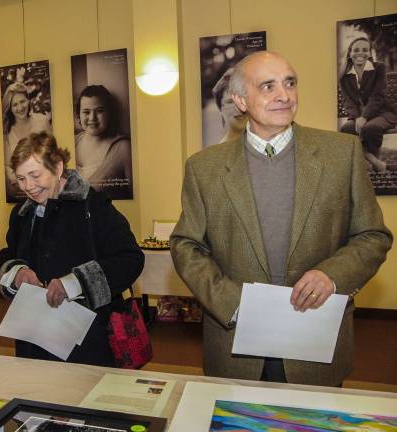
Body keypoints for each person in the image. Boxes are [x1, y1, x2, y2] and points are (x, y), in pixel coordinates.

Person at [170, 51, 392, 387]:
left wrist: (331, 276)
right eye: (268, 86)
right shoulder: (204, 168)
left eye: (289, 83)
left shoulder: (341, 153)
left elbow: (373, 235)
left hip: (314, 337)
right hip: (235, 342)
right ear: (240, 100)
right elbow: (186, 245)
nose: (284, 95)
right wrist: (231, 304)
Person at [0, 131, 143, 366]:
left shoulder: (93, 207)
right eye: (21, 179)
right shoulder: (21, 214)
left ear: (58, 167)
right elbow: (7, 256)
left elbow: (130, 259)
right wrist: (16, 273)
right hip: (33, 338)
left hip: (87, 341)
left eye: (35, 175)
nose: (28, 187)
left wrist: (74, 283)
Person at [339, 37, 397, 173]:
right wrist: (358, 117)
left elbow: (378, 96)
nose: (361, 53)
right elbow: (348, 101)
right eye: (356, 50)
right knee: (346, 130)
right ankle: (377, 163)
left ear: (370, 53)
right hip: (359, 116)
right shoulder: (344, 75)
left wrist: (364, 117)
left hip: (383, 113)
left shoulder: (379, 68)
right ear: (350, 53)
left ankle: (376, 166)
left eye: (365, 50)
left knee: (371, 128)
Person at [74, 85, 133, 198]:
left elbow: (135, 194)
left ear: (110, 113)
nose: (92, 118)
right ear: (79, 115)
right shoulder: (73, 141)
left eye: (100, 111)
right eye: (86, 112)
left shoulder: (123, 148)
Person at [2, 82, 52, 196]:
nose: (20, 107)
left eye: (22, 101)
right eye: (14, 104)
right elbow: (8, 168)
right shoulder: (6, 133)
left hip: (45, 188)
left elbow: (52, 154)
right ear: (9, 108)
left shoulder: (42, 121)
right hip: (20, 191)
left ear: (28, 100)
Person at [212, 68, 248, 143]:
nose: (238, 108)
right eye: (230, 102)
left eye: (243, 100)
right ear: (221, 109)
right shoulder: (219, 153)